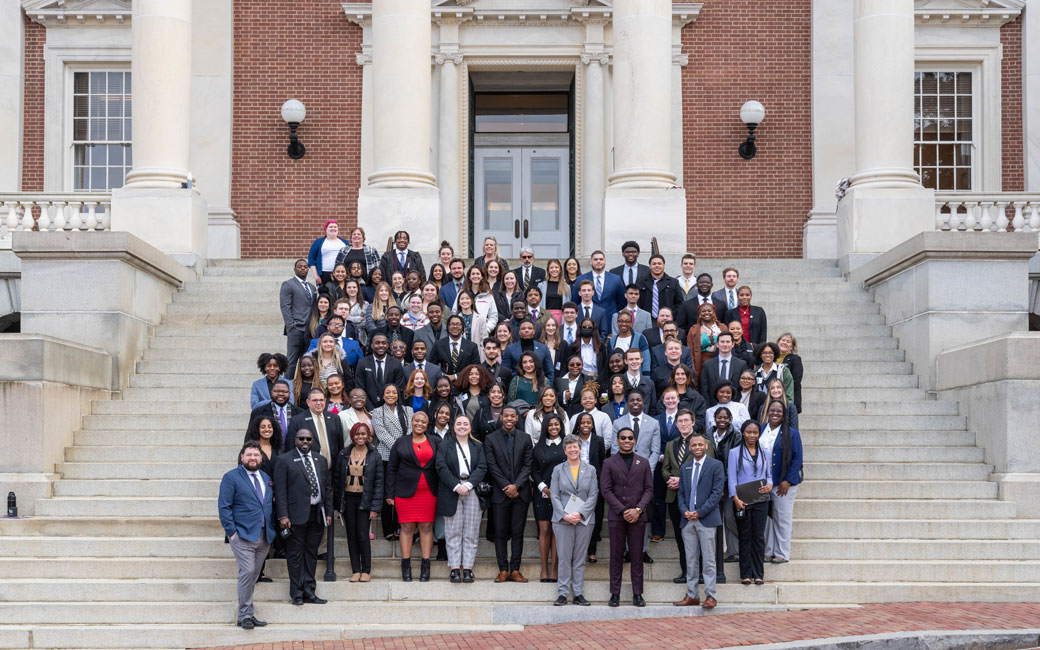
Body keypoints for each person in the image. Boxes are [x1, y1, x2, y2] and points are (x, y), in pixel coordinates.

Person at [218, 441, 276, 629]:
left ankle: (249, 613)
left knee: (253, 575)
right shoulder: (231, 477)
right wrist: (232, 533)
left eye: (256, 455)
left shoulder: (266, 477)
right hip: (242, 535)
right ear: (242, 457)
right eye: (249, 455)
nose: (253, 458)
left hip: (264, 535)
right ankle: (244, 616)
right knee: (248, 572)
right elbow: (224, 507)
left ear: (261, 458)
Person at [273, 428, 332, 606]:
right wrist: (283, 515)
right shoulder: (284, 460)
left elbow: (327, 489)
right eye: (301, 439)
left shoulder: (320, 460)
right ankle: (296, 593)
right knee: (295, 555)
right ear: (295, 440)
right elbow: (280, 490)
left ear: (313, 441)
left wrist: (329, 512)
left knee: (311, 555)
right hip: (295, 516)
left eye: (308, 439)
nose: (305, 442)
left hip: (317, 514)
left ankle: (309, 591)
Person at [600, 426, 653, 607]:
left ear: (635, 440)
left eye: (630, 438)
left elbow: (649, 489)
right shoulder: (609, 463)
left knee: (637, 556)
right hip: (617, 515)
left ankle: (637, 593)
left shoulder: (643, 462)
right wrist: (623, 510)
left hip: (638, 516)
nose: (626, 441)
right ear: (617, 441)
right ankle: (615, 593)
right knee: (616, 556)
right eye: (623, 438)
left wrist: (637, 510)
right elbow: (605, 490)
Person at [673, 433, 725, 609]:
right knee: (691, 559)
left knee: (709, 559)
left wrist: (700, 512)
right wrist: (684, 510)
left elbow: (717, 493)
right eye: (694, 445)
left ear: (706, 446)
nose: (697, 448)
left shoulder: (716, 465)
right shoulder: (685, 467)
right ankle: (692, 595)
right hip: (687, 520)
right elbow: (680, 493)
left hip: (706, 519)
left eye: (700, 445)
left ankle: (710, 595)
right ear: (689, 447)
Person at [387, 411, 439, 582]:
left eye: (423, 422)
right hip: (404, 492)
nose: (420, 424)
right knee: (407, 527)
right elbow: (392, 468)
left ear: (427, 424)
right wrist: (389, 493)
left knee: (426, 527)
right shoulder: (401, 442)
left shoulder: (436, 441)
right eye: (417, 420)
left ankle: (426, 565)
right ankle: (406, 565)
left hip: (429, 493)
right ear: (412, 421)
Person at [435, 413, 487, 583]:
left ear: (470, 427)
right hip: (452, 490)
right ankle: (455, 568)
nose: (462, 426)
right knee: (453, 531)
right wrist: (457, 486)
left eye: (465, 424)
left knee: (471, 532)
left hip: (472, 490)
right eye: (459, 424)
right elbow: (441, 466)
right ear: (453, 426)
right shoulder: (445, 445)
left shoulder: (478, 446)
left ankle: (468, 569)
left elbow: (482, 467)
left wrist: (469, 485)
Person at [484, 406, 534, 583]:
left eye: (513, 416)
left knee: (518, 532)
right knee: (500, 532)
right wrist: (507, 486)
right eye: (506, 416)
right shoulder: (490, 439)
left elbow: (528, 465)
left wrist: (516, 486)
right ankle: (503, 569)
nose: (509, 419)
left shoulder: (525, 438)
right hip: (500, 492)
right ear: (501, 417)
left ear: (517, 418)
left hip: (520, 494)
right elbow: (492, 466)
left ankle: (515, 569)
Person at [549, 433, 598, 606]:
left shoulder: (590, 469)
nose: (572, 449)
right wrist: (564, 514)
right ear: (565, 450)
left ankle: (578, 593)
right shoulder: (558, 470)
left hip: (584, 520)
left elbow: (593, 494)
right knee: (563, 557)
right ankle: (562, 593)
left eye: (575, 446)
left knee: (579, 558)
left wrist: (580, 514)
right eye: (569, 447)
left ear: (580, 448)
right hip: (562, 519)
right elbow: (554, 494)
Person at [332, 422, 383, 583]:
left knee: (362, 535)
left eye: (363, 434)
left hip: (364, 500)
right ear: (352, 436)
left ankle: (366, 570)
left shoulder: (375, 454)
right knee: (351, 535)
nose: (360, 437)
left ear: (368, 436)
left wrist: (375, 507)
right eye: (357, 434)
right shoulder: (344, 454)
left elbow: (379, 482)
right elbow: (337, 478)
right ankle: (355, 570)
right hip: (347, 499)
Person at [728, 420, 772, 586]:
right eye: (749, 432)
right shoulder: (734, 453)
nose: (752, 435)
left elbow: (769, 474)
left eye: (755, 432)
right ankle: (745, 574)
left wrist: (770, 485)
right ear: (743, 433)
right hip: (742, 500)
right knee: (745, 536)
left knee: (758, 536)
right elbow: (731, 477)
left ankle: (758, 573)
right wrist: (735, 498)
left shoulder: (765, 452)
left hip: (761, 499)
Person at [762, 399, 803, 565]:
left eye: (779, 411)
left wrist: (787, 480)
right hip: (764, 482)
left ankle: (782, 553)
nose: (775, 413)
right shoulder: (761, 429)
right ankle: (768, 550)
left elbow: (797, 458)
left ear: (784, 414)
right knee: (767, 519)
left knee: (782, 517)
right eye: (772, 410)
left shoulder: (791, 433)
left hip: (783, 483)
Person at [372, 384, 413, 540]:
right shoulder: (377, 412)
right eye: (387, 392)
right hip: (386, 457)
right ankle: (388, 528)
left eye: (394, 392)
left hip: (405, 457)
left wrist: (404, 449)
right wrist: (399, 449)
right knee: (387, 493)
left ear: (398, 394)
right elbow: (382, 434)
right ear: (383, 396)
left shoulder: (408, 410)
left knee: (401, 492)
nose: (390, 395)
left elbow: (411, 430)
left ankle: (399, 526)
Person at [532, 414, 567, 582]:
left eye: (556, 424)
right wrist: (543, 488)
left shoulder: (567, 445)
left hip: (563, 494)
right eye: (550, 424)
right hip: (543, 493)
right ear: (545, 427)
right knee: (544, 530)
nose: (554, 427)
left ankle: (554, 569)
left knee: (557, 530)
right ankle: (544, 569)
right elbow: (534, 471)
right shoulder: (538, 447)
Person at [570, 411, 606, 563]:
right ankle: (575, 551)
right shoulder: (572, 440)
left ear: (592, 425)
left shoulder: (598, 440)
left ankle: (591, 551)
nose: (585, 425)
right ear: (578, 424)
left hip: (593, 484)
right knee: (574, 517)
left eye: (588, 422)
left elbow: (602, 461)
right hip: (574, 484)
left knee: (593, 517)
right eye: (582, 422)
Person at [708, 407, 742, 563]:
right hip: (711, 483)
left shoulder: (736, 436)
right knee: (713, 518)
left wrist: (726, 481)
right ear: (714, 418)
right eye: (719, 417)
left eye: (725, 417)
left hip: (729, 482)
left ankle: (736, 550)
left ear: (730, 419)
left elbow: (735, 461)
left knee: (729, 516)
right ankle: (714, 552)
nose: (722, 420)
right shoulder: (707, 435)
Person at [280, 259, 317, 379]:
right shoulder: (288, 284)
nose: (303, 269)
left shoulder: (311, 287)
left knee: (306, 362)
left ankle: (301, 389)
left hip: (309, 330)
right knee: (291, 362)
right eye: (300, 266)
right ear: (295, 269)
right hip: (296, 329)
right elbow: (285, 307)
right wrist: (291, 326)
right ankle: (287, 388)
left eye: (305, 267)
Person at [354, 333, 406, 410]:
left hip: (390, 408)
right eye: (377, 343)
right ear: (372, 345)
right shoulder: (362, 363)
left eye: (383, 343)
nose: (381, 345)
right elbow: (360, 388)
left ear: (387, 345)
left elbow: (399, 388)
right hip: (367, 409)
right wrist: (372, 410)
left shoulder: (396, 363)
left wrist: (388, 409)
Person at [700, 331, 747, 406]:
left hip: (735, 405)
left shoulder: (741, 364)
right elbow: (704, 389)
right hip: (713, 406)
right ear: (717, 344)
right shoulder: (708, 365)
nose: (725, 344)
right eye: (722, 342)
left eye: (728, 342)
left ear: (732, 344)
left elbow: (743, 388)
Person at [637, 254, 682, 321]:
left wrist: (671, 315)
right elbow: (637, 303)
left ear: (664, 265)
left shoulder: (673, 282)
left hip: (667, 320)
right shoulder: (641, 283)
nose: (657, 266)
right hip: (647, 320)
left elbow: (680, 303)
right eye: (654, 264)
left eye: (659, 263)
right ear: (650, 266)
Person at [688, 302, 727, 380]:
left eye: (709, 310)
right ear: (699, 314)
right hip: (701, 363)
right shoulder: (694, 330)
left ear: (714, 313)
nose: (706, 313)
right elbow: (690, 350)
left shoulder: (723, 327)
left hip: (720, 361)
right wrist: (693, 368)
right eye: (703, 311)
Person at [608, 312, 651, 378]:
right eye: (621, 321)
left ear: (631, 323)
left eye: (627, 321)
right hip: (618, 380)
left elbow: (646, 359)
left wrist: (646, 378)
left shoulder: (640, 338)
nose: (624, 324)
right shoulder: (612, 341)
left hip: (636, 377)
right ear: (617, 323)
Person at [307, 220, 348, 285]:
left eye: (335, 227)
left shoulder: (344, 243)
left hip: (341, 274)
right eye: (330, 227)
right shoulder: (318, 242)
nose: (333, 228)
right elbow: (311, 258)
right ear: (326, 229)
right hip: (324, 273)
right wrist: (315, 275)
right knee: (325, 294)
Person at [777, 332, 804, 414]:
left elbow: (796, 380)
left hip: (788, 398)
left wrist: (780, 392)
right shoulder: (771, 358)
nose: (784, 342)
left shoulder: (795, 359)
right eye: (783, 340)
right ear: (778, 342)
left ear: (792, 347)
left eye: (788, 342)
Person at [538, 259, 570, 325]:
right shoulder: (541, 285)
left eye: (556, 267)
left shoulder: (566, 286)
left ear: (560, 269)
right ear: (548, 270)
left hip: (561, 318)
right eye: (551, 268)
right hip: (545, 316)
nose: (554, 269)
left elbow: (568, 303)